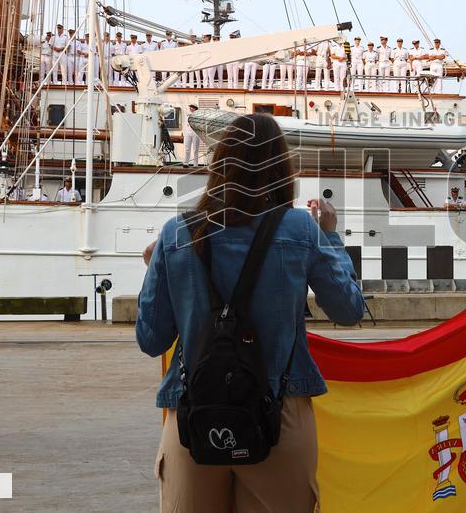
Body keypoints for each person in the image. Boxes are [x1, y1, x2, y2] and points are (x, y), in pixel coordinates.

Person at [135, 113, 365, 511]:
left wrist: (159, 269)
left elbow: (151, 339)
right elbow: (348, 310)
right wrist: (329, 234)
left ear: (219, 162)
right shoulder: (300, 230)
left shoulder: (177, 233)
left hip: (195, 413)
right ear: (280, 166)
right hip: (280, 409)